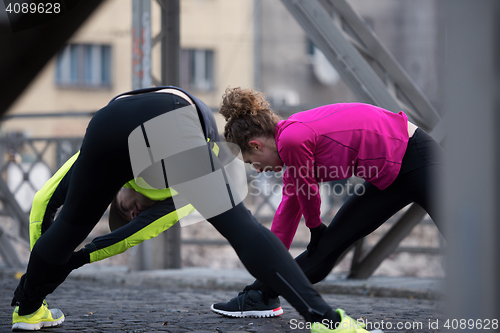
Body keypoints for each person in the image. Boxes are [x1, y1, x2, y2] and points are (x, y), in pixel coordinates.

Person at [10, 86, 381, 333]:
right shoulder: (117, 173)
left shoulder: (173, 193)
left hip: (148, 119)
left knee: (241, 228)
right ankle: (327, 321)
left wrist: (53, 270)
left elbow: (123, 236)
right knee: (71, 226)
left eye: (130, 210)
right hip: (139, 120)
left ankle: (26, 311)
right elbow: (44, 205)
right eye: (131, 210)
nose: (137, 210)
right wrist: (40, 283)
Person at [211, 87, 443, 319]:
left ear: (256, 146)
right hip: (389, 174)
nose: (259, 171)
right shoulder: (291, 149)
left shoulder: (293, 139)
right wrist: (269, 261)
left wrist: (314, 226)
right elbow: (285, 219)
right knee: (324, 250)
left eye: (253, 163)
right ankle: (258, 296)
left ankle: (479, 299)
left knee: (466, 239)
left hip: (419, 158)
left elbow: (309, 192)